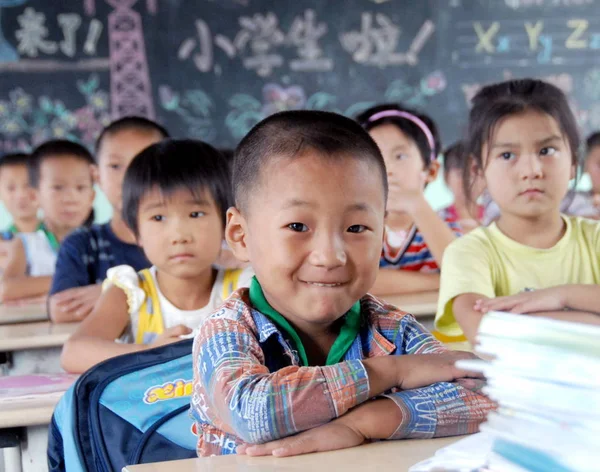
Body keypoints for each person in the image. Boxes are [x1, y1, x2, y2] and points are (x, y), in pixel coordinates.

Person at [191, 110, 494, 457]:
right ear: (240, 236)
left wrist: (362, 424)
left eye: (356, 229)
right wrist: (393, 371)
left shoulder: (391, 328)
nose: (329, 255)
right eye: (297, 227)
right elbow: (253, 414)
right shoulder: (227, 329)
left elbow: (484, 393)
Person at [61, 139, 253, 374]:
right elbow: (74, 352)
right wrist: (152, 351)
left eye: (195, 213)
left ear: (225, 222)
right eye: (158, 218)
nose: (179, 236)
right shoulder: (130, 293)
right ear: (136, 232)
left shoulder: (243, 289)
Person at [435, 79, 600, 344]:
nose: (531, 170)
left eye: (547, 150)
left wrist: (560, 296)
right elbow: (488, 336)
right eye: (507, 155)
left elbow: (507, 330)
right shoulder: (469, 253)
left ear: (573, 163)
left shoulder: (595, 238)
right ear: (478, 171)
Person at [49, 117, 168, 323]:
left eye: (143, 163)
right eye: (115, 166)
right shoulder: (83, 244)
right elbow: (61, 309)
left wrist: (119, 291)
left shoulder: (186, 235)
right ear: (96, 176)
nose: (129, 177)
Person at [356, 104, 461, 295]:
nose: (387, 168)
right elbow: (356, 280)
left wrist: (417, 205)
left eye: (400, 156)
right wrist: (441, 282)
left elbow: (465, 274)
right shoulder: (352, 228)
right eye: (373, 156)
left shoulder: (446, 228)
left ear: (430, 171)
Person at [0, 140, 95, 302]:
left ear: (92, 196)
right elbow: (6, 289)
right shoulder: (23, 243)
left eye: (80, 187)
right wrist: (78, 280)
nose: (70, 198)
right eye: (58, 187)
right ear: (35, 196)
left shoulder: (99, 241)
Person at [0, 152, 40, 270]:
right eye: (11, 188)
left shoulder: (61, 236)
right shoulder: (2, 241)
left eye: (28, 185)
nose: (21, 195)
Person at [439, 141, 484, 232]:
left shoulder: (498, 218)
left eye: (475, 174)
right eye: (460, 174)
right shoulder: (436, 220)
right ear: (446, 177)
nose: (469, 181)